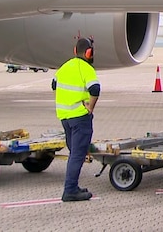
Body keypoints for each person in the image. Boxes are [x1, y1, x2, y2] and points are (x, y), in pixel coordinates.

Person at [52, 37, 100, 202]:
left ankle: (73, 186)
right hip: (79, 117)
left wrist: (62, 102)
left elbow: (54, 84)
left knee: (74, 152)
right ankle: (70, 190)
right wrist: (90, 108)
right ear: (89, 53)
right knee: (77, 155)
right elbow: (95, 89)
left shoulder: (64, 67)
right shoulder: (86, 68)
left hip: (64, 117)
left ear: (75, 51)